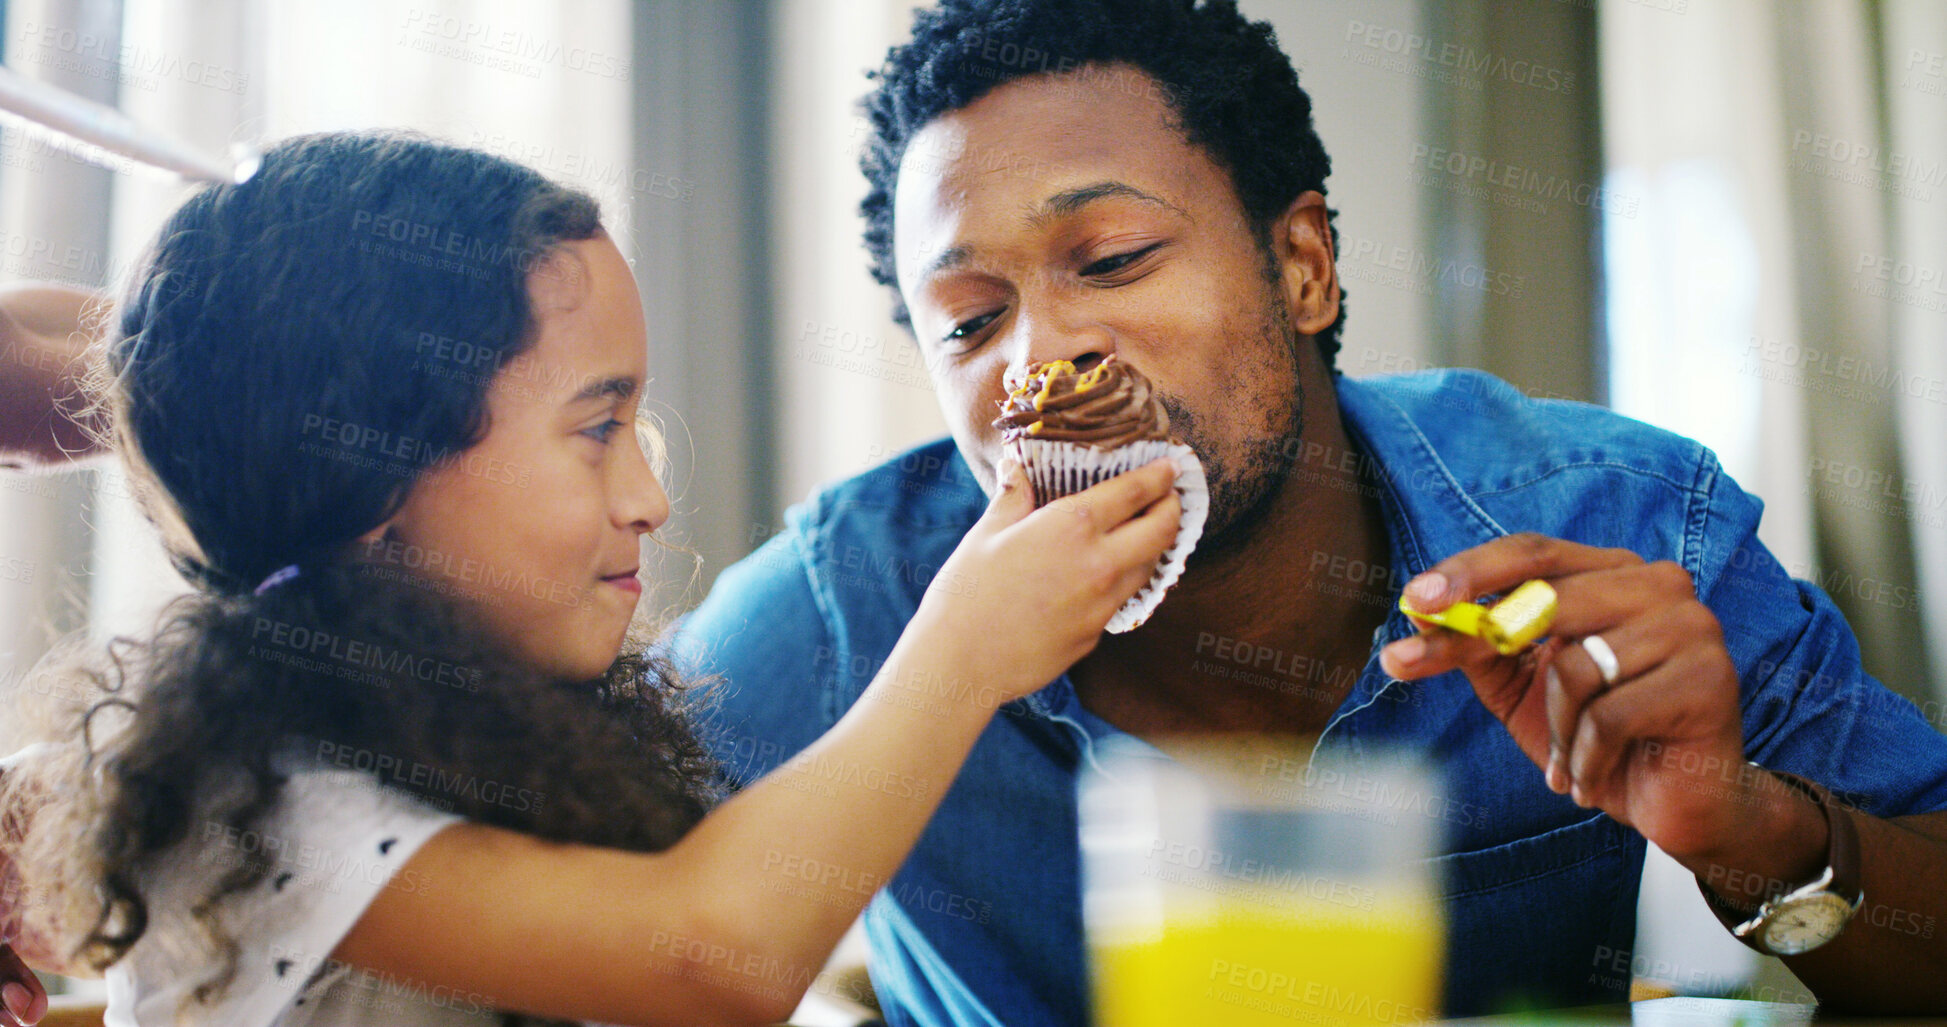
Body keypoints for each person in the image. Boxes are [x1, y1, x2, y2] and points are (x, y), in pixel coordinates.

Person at [674, 0, 1947, 1024]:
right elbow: (555, 916)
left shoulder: (1618, 522)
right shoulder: (857, 603)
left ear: (1304, 266)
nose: (1041, 362)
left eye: (1112, 259)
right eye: (970, 319)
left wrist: (1750, 830)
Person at [0, 130, 1181, 1026]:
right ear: (371, 473)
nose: (649, 501)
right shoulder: (259, 810)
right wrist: (964, 644)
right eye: (596, 427)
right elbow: (712, 956)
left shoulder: (496, 737)